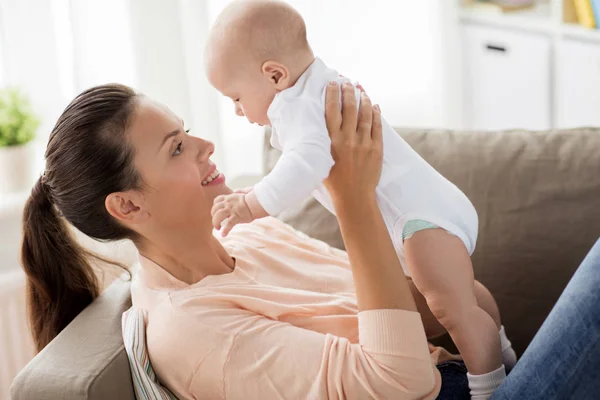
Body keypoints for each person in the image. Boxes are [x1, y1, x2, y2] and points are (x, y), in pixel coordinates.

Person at [20, 81, 600, 399]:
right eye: (176, 148)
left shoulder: (253, 232)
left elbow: (411, 309)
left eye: (189, 133)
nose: (205, 149)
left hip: (470, 370)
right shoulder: (193, 329)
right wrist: (352, 203)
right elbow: (400, 383)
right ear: (128, 206)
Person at [204, 1, 514, 395]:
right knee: (461, 295)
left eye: (235, 97)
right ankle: (505, 355)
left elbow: (306, 162)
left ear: (275, 74)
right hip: (424, 214)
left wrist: (251, 205)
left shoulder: (295, 106)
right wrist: (257, 189)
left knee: (453, 309)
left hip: (420, 220)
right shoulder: (316, 88)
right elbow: (304, 162)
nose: (235, 110)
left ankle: (491, 388)